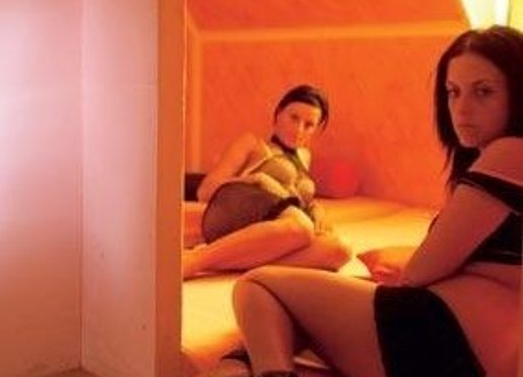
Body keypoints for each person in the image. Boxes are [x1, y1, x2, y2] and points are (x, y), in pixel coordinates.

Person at [220, 25, 522, 377]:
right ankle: (240, 364)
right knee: (290, 319)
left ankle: (246, 365)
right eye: (453, 92)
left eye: (483, 92)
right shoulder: (504, 160)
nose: (462, 109)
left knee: (257, 285)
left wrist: (403, 271)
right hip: (469, 345)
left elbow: (419, 273)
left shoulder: (509, 153)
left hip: (440, 336)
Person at [183, 84, 352, 279]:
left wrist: (314, 207)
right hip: (249, 216)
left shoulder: (305, 156)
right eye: (294, 118)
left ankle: (228, 260)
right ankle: (194, 261)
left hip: (282, 229)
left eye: (309, 125)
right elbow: (205, 190)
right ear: (278, 114)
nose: (299, 129)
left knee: (339, 250)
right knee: (300, 227)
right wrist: (256, 180)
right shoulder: (253, 143)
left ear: (317, 129)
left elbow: (294, 196)